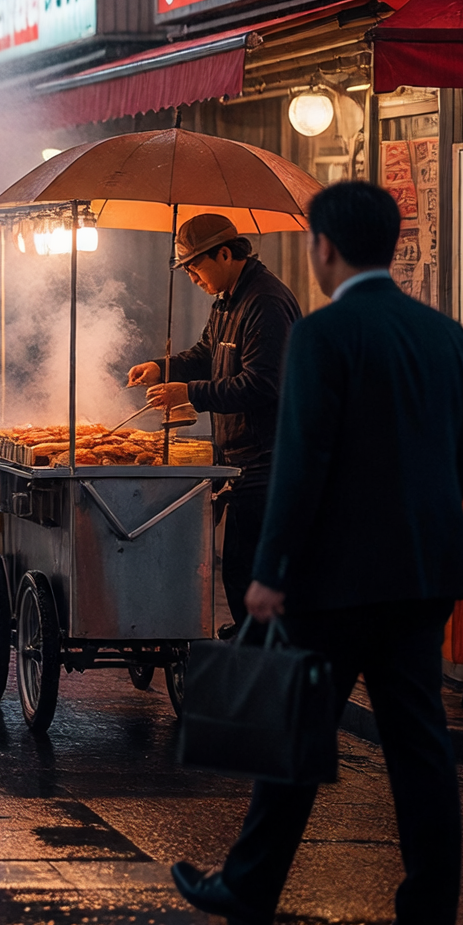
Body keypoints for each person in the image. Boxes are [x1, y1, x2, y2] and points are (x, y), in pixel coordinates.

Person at [171, 181, 463, 925]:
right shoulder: (443, 333)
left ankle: (249, 889)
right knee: (421, 746)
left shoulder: (325, 334)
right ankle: (430, 916)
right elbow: (460, 456)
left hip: (335, 575)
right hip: (424, 566)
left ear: (326, 249)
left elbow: (302, 459)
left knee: (294, 730)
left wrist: (271, 570)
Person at [127, 211, 302, 632]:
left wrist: (191, 394)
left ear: (225, 254)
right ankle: (253, 646)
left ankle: (263, 664)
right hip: (237, 457)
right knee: (238, 569)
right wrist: (162, 367)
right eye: (186, 269)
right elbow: (206, 353)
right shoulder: (227, 299)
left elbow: (262, 384)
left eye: (195, 266)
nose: (191, 277)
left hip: (267, 459)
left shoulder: (265, 302)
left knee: (249, 572)